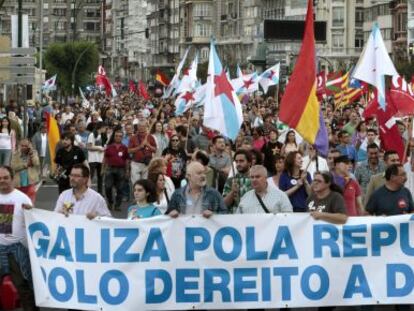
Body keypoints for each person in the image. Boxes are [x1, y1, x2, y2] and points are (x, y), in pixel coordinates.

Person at [0, 166, 38, 311]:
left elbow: (35, 222)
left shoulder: (22, 198)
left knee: (24, 286)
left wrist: (31, 211)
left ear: (12, 178)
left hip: (17, 249)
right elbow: (4, 225)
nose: (2, 181)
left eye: (5, 178)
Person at [103, 128, 130, 211]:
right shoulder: (109, 147)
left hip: (121, 169)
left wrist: (127, 171)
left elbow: (127, 160)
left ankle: (117, 205)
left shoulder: (125, 147)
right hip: (110, 169)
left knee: (120, 189)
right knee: (107, 187)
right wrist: (103, 169)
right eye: (116, 136)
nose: (118, 137)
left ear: (122, 137)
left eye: (120, 136)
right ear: (114, 137)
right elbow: (105, 158)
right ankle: (110, 203)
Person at [10, 139, 41, 203]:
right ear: (19, 146)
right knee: (19, 203)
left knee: (29, 203)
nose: (24, 147)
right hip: (18, 183)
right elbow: (13, 166)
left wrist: (31, 153)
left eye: (26, 146)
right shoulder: (15, 154)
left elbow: (36, 163)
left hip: (30, 181)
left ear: (29, 146)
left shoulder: (34, 153)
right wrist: (26, 165)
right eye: (22, 145)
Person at [87, 122, 106, 194]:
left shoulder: (102, 135)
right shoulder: (92, 135)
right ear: (101, 127)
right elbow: (89, 147)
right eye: (104, 128)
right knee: (90, 176)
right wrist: (99, 148)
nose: (105, 129)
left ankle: (100, 192)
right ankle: (87, 191)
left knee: (100, 177)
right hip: (93, 159)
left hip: (100, 159)